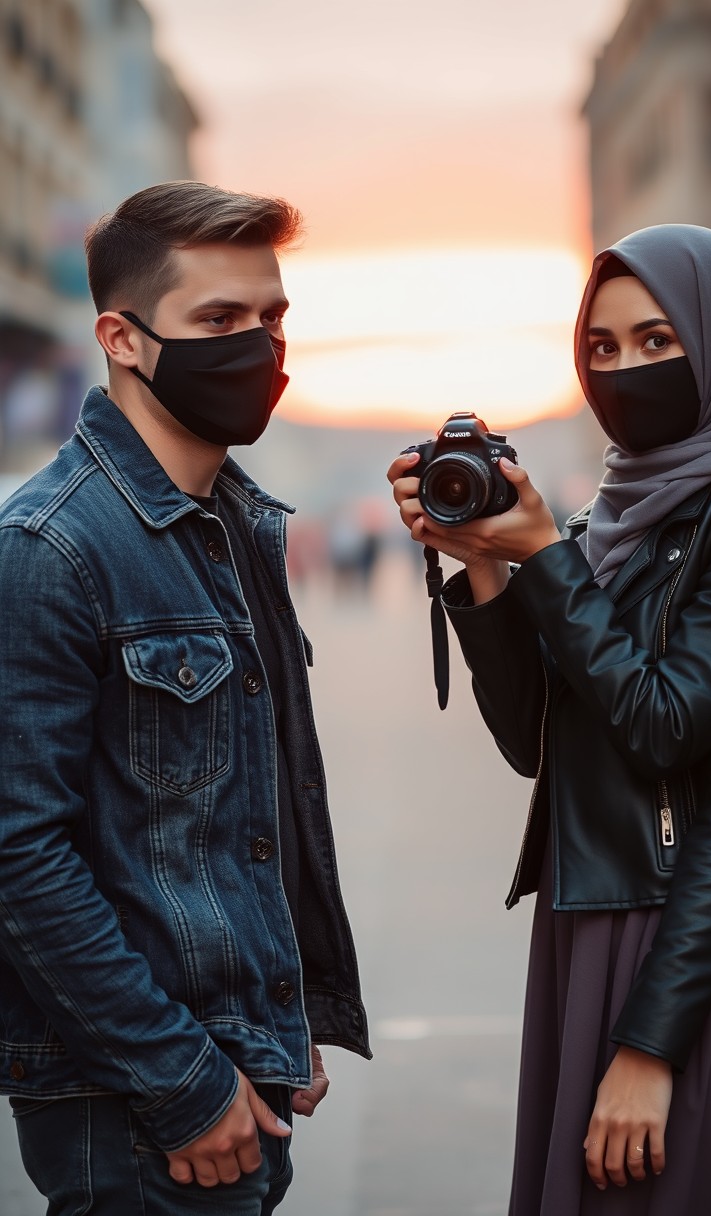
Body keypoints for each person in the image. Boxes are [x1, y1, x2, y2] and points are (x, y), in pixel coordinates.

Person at [388, 223, 711, 1215]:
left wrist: (649, 1044)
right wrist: (490, 561)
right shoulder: (617, 518)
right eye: (600, 346)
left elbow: (680, 737)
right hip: (586, 927)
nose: (622, 368)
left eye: (656, 341)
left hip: (687, 949)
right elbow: (529, 738)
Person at [0, 180, 370, 1215]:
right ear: (120, 337)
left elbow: (235, 825)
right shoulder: (50, 548)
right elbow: (19, 853)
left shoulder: (237, 526)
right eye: (217, 320)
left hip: (240, 1071)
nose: (257, 347)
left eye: (271, 317)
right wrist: (186, 1083)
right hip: (139, 1105)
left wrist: (277, 1028)